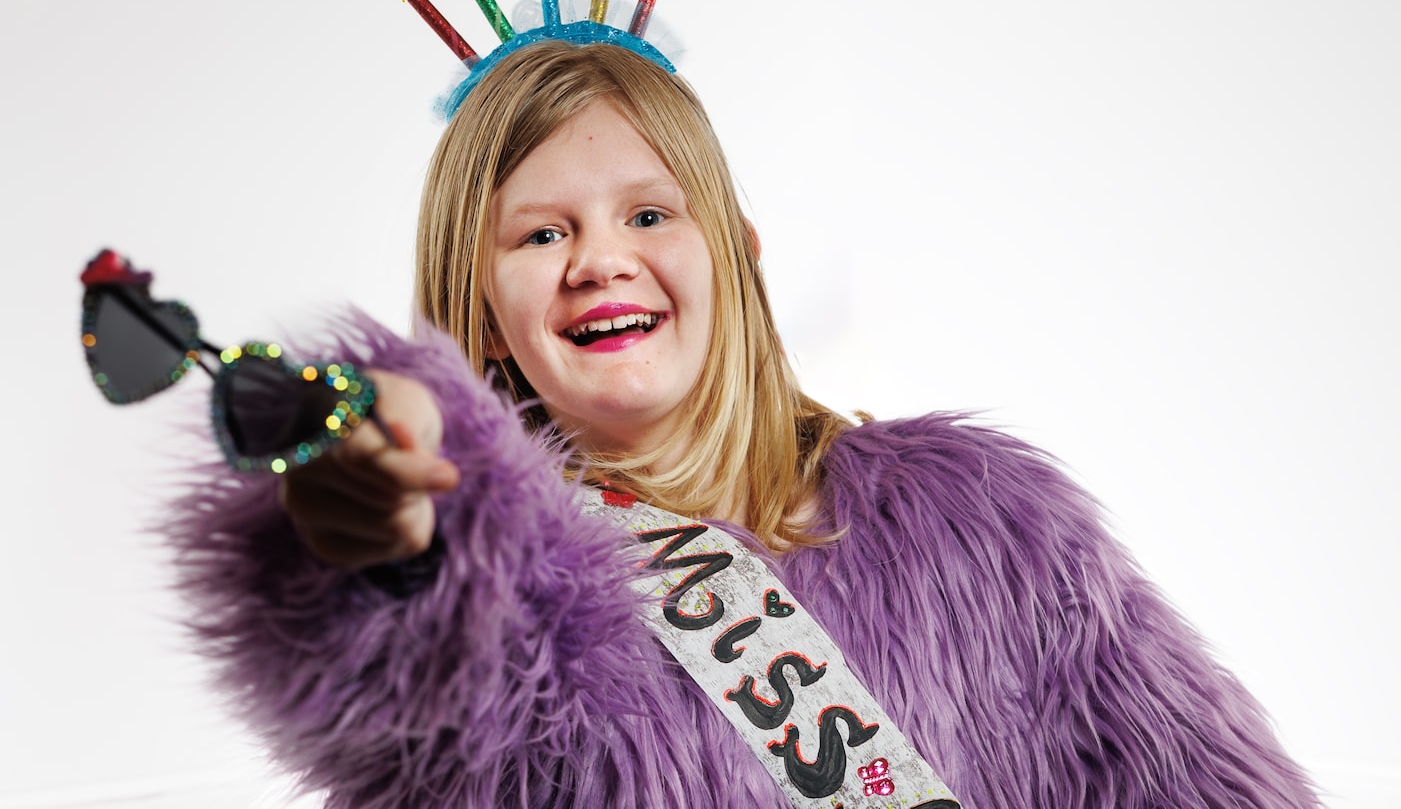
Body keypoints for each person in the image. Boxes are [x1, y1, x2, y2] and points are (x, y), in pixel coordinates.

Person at [166, 40, 1320, 807]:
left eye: (650, 211)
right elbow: (418, 676)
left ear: (739, 254)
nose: (602, 258)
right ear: (480, 308)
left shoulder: (989, 528)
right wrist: (397, 522)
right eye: (540, 234)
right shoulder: (513, 596)